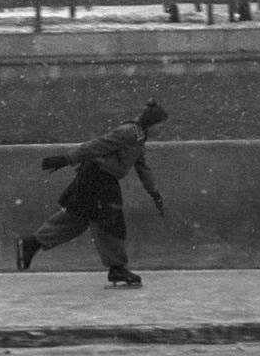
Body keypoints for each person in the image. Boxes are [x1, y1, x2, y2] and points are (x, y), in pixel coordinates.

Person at [17, 101, 169, 287]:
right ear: (151, 122)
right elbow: (96, 146)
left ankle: (32, 243)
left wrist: (154, 193)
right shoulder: (129, 132)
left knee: (77, 219)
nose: (161, 130)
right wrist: (67, 158)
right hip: (98, 178)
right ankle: (117, 268)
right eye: (160, 125)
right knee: (109, 222)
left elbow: (143, 168)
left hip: (99, 179)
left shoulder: (139, 139)